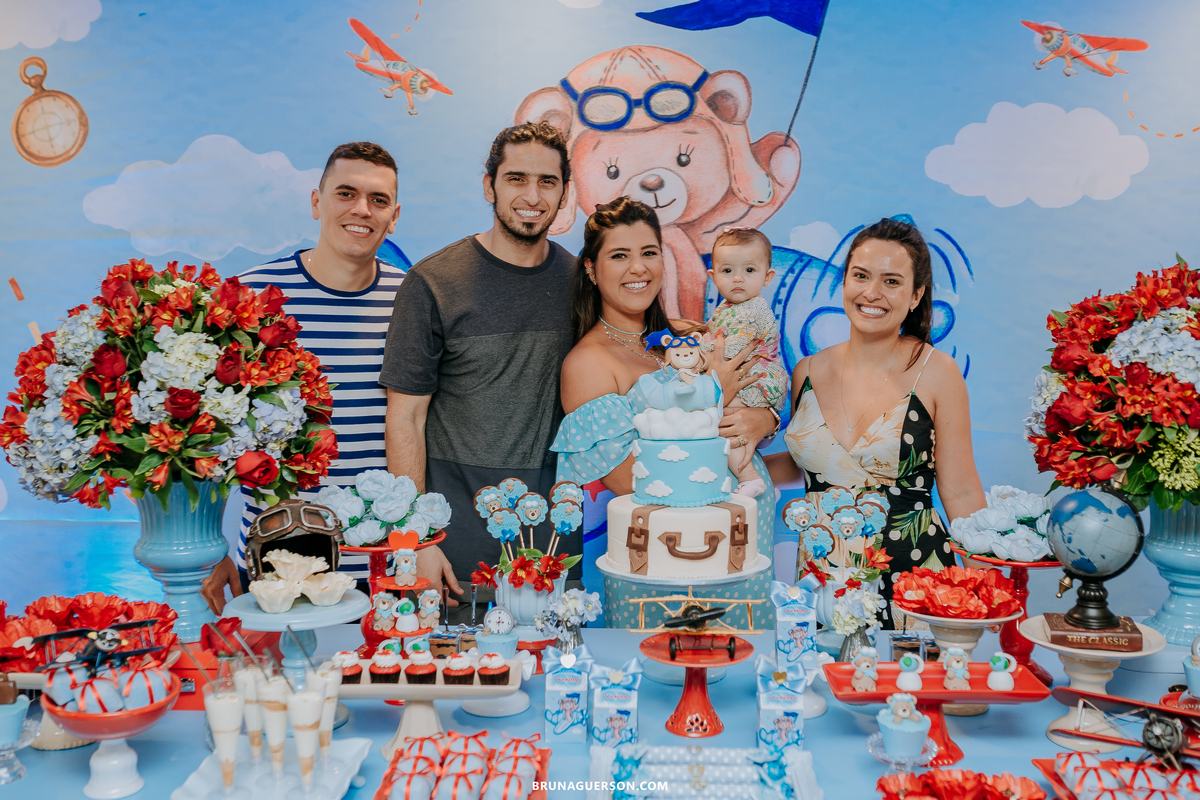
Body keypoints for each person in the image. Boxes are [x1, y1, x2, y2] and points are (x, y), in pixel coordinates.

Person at [550, 196, 778, 628]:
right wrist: (714, 394)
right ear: (591, 268)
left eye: (649, 253)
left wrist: (764, 420)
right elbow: (634, 480)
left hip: (746, 537)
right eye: (620, 256)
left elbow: (755, 393)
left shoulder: (688, 337)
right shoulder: (588, 364)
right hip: (672, 558)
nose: (639, 268)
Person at [200, 141, 404, 614]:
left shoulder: (412, 300)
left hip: (384, 566)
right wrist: (211, 545)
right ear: (316, 201)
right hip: (275, 562)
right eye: (345, 193)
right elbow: (204, 432)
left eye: (378, 200)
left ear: (394, 216)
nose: (361, 210)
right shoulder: (251, 297)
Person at [381, 122, 578, 599]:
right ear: (489, 184)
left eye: (547, 182)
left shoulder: (582, 284)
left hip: (551, 545)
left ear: (564, 193)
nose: (532, 195)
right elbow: (405, 417)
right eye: (516, 178)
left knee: (558, 671)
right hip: (452, 551)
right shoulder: (433, 283)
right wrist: (417, 538)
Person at [765, 217, 985, 629]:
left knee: (912, 689)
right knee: (822, 687)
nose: (872, 293)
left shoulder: (936, 371)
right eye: (861, 276)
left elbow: (961, 489)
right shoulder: (807, 371)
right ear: (844, 281)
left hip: (916, 577)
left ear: (917, 295)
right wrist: (723, 463)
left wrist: (984, 589)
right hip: (823, 576)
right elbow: (811, 463)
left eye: (891, 281)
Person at [705, 227, 788, 497]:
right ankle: (760, 480)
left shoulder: (754, 308)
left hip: (759, 381)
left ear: (767, 276)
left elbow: (735, 346)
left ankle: (749, 476)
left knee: (723, 420)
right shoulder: (727, 308)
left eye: (749, 271)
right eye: (727, 271)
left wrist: (701, 348)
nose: (738, 278)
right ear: (713, 276)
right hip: (743, 377)